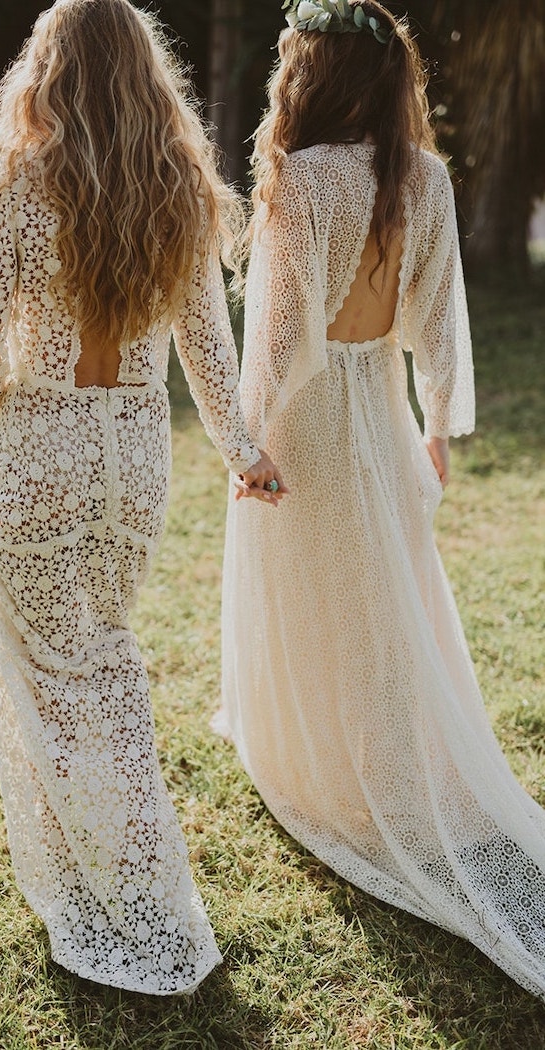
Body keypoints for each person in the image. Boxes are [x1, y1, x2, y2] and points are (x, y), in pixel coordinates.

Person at [0, 0, 284, 997]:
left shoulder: (17, 177)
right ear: (147, 76)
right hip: (137, 457)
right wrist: (243, 450)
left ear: (48, 69)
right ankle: (121, 881)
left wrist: (3, 435)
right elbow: (208, 358)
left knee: (54, 680)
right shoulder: (181, 184)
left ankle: (121, 900)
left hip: (41, 443)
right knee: (103, 663)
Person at [219, 0, 545, 1000]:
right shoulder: (429, 178)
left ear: (308, 76)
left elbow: (275, 334)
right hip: (382, 407)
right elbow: (440, 314)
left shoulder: (300, 179)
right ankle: (384, 749)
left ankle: (324, 764)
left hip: (310, 417)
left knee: (317, 590)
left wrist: (246, 435)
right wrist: (438, 424)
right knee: (381, 588)